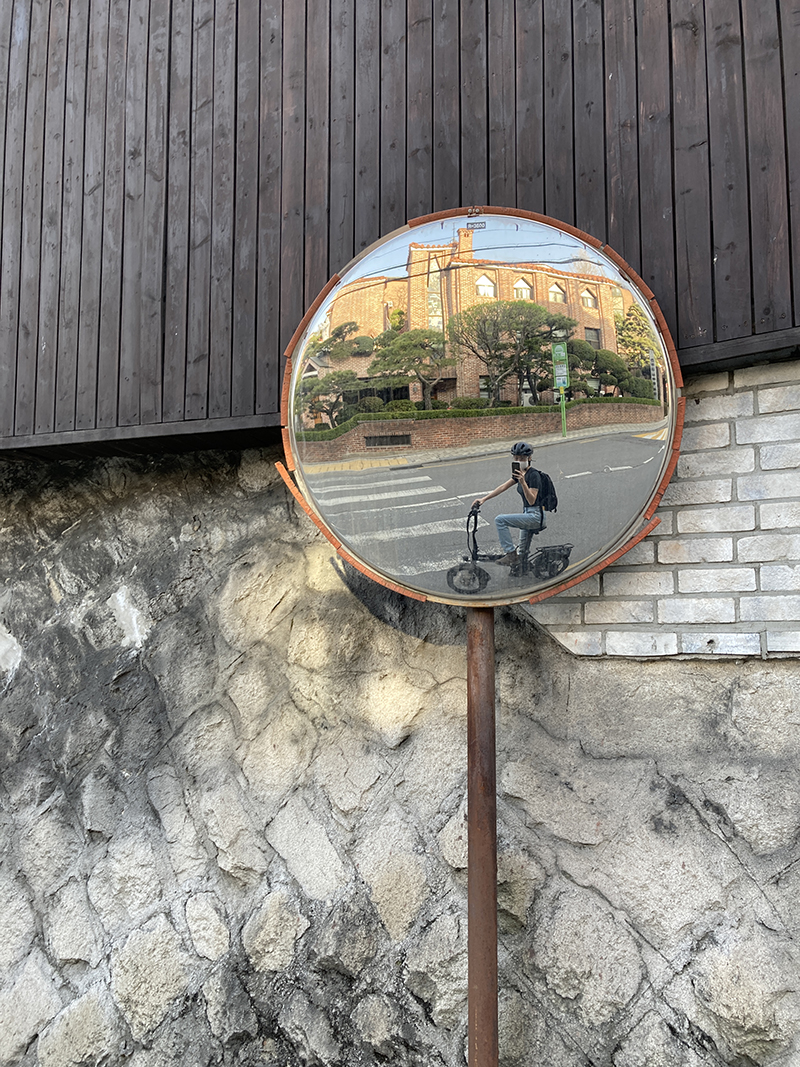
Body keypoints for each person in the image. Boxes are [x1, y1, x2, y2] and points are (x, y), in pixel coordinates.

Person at [471, 442, 547, 566]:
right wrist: (484, 499)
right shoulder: (520, 473)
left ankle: (510, 554)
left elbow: (532, 500)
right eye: (516, 458)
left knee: (500, 520)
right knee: (522, 554)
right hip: (527, 514)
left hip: (536, 516)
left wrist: (523, 483)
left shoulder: (534, 475)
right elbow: (503, 487)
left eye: (522, 458)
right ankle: (521, 568)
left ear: (529, 458)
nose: (518, 461)